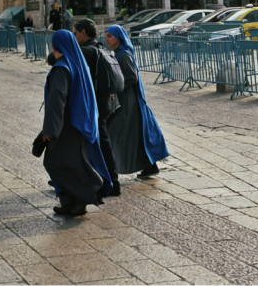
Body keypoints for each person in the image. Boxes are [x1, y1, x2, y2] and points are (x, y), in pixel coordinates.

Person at [42, 30, 113, 215]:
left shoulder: (61, 68)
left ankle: (86, 192)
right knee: (74, 162)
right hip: (80, 123)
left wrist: (50, 129)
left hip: (66, 125)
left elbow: (57, 101)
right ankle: (71, 202)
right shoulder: (77, 64)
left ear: (54, 45)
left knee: (54, 162)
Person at [105, 25, 169, 176]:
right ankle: (150, 165)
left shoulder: (124, 55)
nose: (106, 39)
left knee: (112, 133)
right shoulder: (118, 54)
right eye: (106, 35)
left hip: (128, 101)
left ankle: (108, 169)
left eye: (109, 36)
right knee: (134, 133)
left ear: (118, 38)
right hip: (126, 99)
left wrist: (114, 82)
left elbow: (132, 77)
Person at [73, 18, 121, 195]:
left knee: (100, 142)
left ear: (83, 33)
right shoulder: (101, 49)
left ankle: (111, 183)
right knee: (100, 140)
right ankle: (102, 180)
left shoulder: (86, 52)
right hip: (106, 101)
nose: (74, 36)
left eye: (75, 33)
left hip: (94, 105)